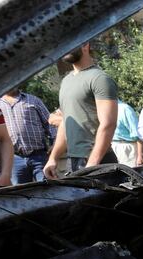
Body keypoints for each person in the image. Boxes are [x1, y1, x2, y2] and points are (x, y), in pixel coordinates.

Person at [44, 42, 118, 178]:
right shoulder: (66, 81)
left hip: (98, 162)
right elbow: (66, 123)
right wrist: (53, 158)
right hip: (73, 161)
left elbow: (108, 124)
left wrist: (92, 165)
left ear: (85, 45)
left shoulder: (99, 79)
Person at [0, 88, 55, 184]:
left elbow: (49, 122)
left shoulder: (33, 100)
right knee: (21, 193)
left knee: (48, 188)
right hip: (14, 159)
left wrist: (54, 142)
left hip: (39, 156)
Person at [112, 100, 143, 166]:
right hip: (112, 147)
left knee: (129, 174)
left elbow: (138, 135)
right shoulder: (103, 108)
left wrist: (140, 155)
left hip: (127, 149)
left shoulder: (125, 109)